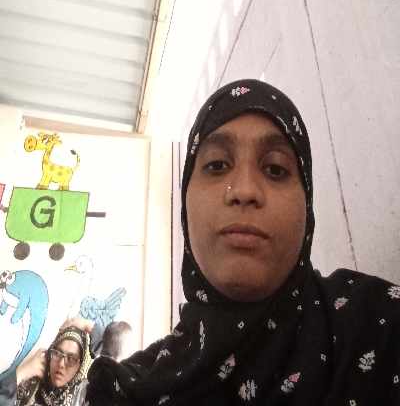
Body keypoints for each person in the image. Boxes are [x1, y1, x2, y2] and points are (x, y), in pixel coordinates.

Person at [88, 80, 400, 403]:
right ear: (184, 201)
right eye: (217, 165)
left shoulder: (377, 327)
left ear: (307, 205)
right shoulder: (124, 392)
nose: (244, 190)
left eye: (275, 169)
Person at [16, 326, 92, 406]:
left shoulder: (82, 400)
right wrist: (22, 373)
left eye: (71, 359)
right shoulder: (29, 385)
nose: (61, 364)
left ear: (80, 366)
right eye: (57, 353)